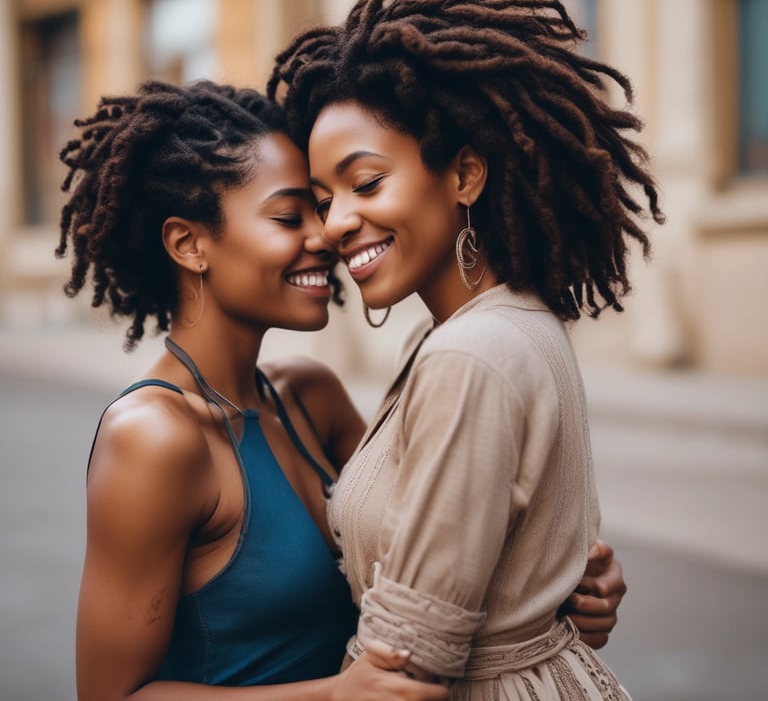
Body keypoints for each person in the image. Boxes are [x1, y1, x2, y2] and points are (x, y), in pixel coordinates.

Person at [56, 79, 622, 700]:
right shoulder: (152, 438)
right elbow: (109, 696)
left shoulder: (310, 396)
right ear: (190, 245)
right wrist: (332, 695)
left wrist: (559, 576)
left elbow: (433, 527)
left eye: (321, 208)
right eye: (290, 215)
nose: (326, 234)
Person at [268, 0, 664, 700]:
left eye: (366, 182)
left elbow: (402, 672)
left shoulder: (468, 353)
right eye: (322, 200)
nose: (336, 223)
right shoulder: (507, 321)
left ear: (466, 175)